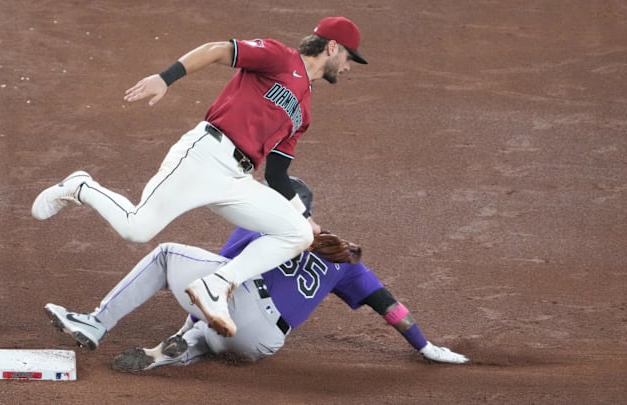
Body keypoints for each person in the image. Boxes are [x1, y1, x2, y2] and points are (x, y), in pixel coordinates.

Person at [31, 16, 369, 338]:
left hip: (237, 179)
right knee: (137, 229)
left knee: (295, 233)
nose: (349, 66)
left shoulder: (304, 109)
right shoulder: (280, 57)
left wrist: (309, 221)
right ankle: (81, 186)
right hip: (204, 155)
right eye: (349, 57)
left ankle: (217, 285)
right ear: (332, 47)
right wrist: (165, 78)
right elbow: (218, 49)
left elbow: (278, 174)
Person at [43, 177, 468, 371]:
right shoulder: (342, 257)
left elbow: (221, 277)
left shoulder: (264, 222)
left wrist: (198, 312)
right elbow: (388, 306)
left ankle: (97, 322)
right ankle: (184, 348)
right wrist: (424, 344)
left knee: (168, 255)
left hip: (239, 307)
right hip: (263, 344)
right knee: (217, 332)